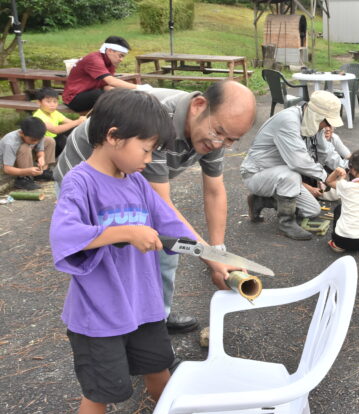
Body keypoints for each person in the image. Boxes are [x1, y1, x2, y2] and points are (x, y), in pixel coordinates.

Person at [54, 81, 257, 334]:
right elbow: (162, 204)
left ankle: (154, 320)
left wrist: (217, 254)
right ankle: (117, 329)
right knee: (109, 261)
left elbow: (214, 191)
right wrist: (209, 258)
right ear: (199, 106)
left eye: (231, 140)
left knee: (160, 249)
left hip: (128, 173)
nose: (220, 144)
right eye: (219, 133)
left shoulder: (216, 130)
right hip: (89, 172)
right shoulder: (157, 125)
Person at [50, 90, 196, 414]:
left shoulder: (137, 184)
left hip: (143, 308)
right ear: (113, 136)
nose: (149, 159)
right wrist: (125, 232)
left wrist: (209, 255)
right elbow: (65, 234)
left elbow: (171, 225)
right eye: (146, 149)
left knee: (159, 370)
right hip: (99, 317)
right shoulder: (80, 183)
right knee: (101, 393)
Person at [241, 90, 348, 240]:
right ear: (317, 116)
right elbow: (298, 161)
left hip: (282, 176)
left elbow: (327, 153)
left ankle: (261, 200)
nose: (328, 126)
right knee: (291, 175)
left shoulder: (314, 124)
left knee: (312, 211)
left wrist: (347, 167)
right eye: (327, 121)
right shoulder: (288, 121)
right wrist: (326, 177)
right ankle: (286, 224)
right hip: (257, 174)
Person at [62, 36, 150, 113]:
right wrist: (138, 87)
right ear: (110, 51)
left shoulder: (110, 63)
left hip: (89, 93)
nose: (121, 60)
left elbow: (106, 86)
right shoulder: (94, 59)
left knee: (116, 96)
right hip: (73, 99)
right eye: (120, 55)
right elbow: (111, 81)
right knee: (101, 96)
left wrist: (126, 93)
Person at [326, 149, 359, 253]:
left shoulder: (345, 186)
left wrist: (338, 173)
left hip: (341, 240)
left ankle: (336, 245)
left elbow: (329, 182)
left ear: (353, 169)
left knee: (339, 209)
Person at [0, 116, 55, 190]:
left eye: (38, 140)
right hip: (9, 164)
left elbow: (40, 150)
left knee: (49, 140)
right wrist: (26, 171)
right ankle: (24, 179)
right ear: (22, 133)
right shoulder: (10, 142)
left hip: (25, 156)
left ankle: (42, 171)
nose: (36, 142)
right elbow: (7, 169)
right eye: (33, 140)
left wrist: (41, 157)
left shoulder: (37, 135)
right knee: (25, 147)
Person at [27, 87, 86, 156]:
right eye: (48, 101)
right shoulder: (38, 116)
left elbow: (69, 122)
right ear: (39, 102)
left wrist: (82, 122)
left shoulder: (54, 112)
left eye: (55, 101)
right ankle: (70, 154)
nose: (52, 104)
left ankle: (79, 149)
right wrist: (77, 122)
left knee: (74, 129)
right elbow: (55, 130)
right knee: (62, 140)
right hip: (45, 145)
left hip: (55, 138)